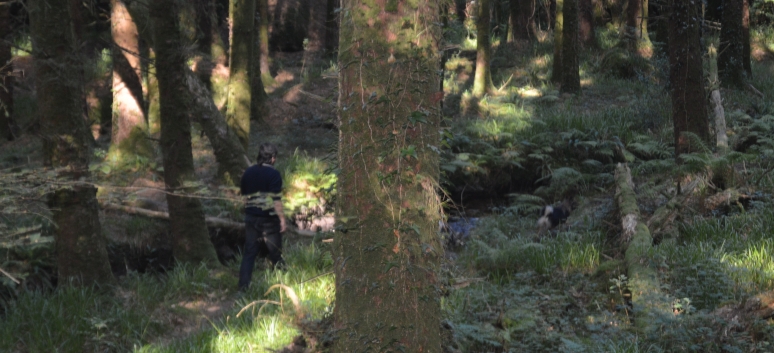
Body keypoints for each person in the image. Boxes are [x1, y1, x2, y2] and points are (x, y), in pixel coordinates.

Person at [238, 143, 287, 291]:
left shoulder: (248, 172)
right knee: (275, 252)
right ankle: (284, 283)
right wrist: (282, 219)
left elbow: (245, 199)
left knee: (249, 253)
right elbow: (276, 200)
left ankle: (243, 287)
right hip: (269, 220)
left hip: (251, 217)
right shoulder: (274, 175)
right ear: (272, 158)